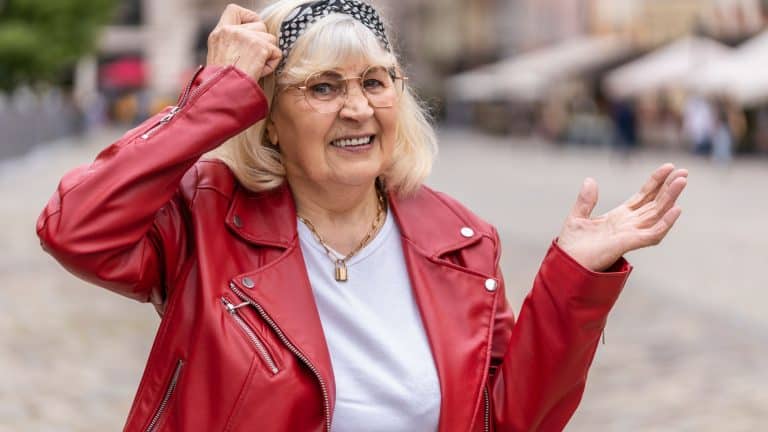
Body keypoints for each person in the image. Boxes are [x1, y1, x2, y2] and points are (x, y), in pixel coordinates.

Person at [36, 1, 688, 431]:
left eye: (375, 82)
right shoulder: (207, 219)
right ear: (264, 116)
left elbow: (505, 419)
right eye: (323, 87)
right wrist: (212, 97)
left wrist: (573, 279)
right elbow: (75, 227)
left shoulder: (461, 242)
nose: (358, 108)